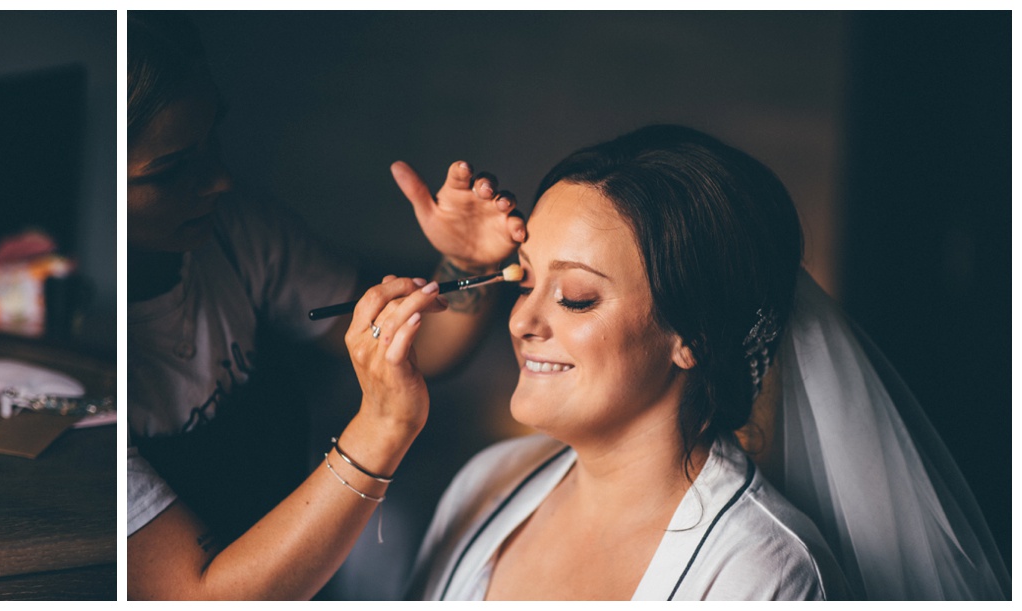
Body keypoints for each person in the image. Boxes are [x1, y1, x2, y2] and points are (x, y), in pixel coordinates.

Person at [398, 124, 1010, 600]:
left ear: (692, 334)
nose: (519, 321)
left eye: (576, 298)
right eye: (523, 282)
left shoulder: (768, 577)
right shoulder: (485, 484)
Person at [125, 13, 525, 600]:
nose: (220, 181)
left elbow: (431, 351)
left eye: (214, 140)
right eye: (171, 170)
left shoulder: (237, 234)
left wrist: (468, 267)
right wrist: (381, 426)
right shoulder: (82, 352)